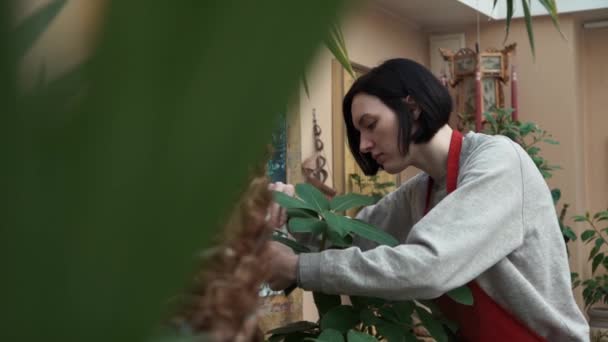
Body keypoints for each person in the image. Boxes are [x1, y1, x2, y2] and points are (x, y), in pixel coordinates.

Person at [265, 58, 589, 341]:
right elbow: (352, 239)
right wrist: (293, 208)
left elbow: (429, 266)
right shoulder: (419, 192)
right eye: (358, 134)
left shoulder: (499, 161)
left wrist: (298, 268)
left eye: (371, 125)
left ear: (412, 107)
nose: (363, 145)